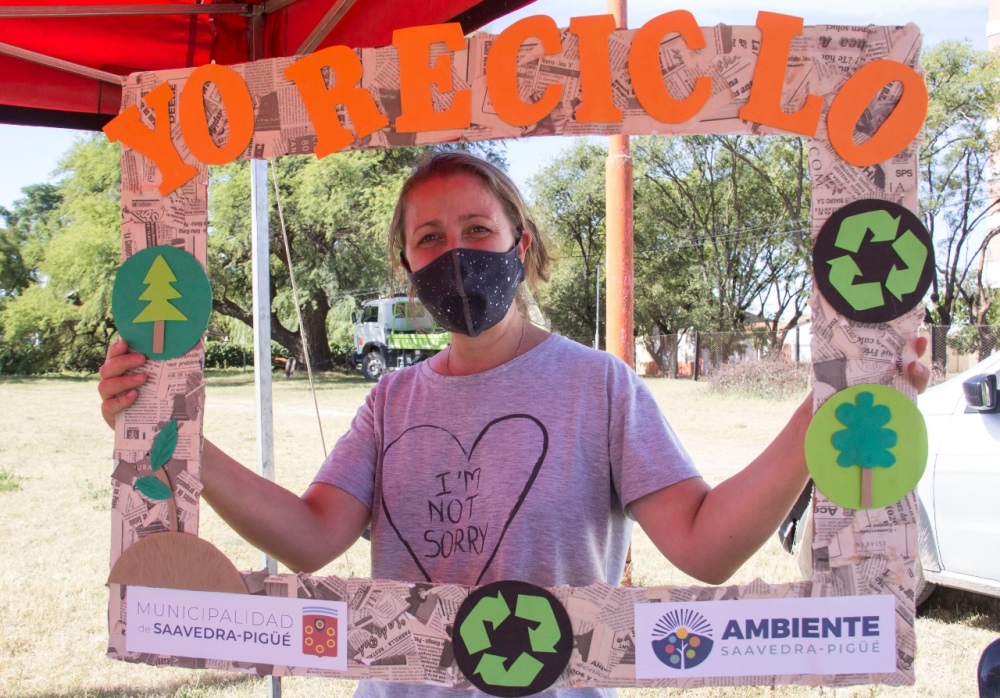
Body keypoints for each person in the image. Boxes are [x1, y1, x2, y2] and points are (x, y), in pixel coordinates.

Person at [98, 151, 929, 697]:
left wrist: (826, 406)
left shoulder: (598, 384)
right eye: (429, 238)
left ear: (520, 245)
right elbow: (314, 537)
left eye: (476, 230)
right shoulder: (394, 401)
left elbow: (706, 546)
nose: (455, 252)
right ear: (408, 266)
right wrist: (174, 437)